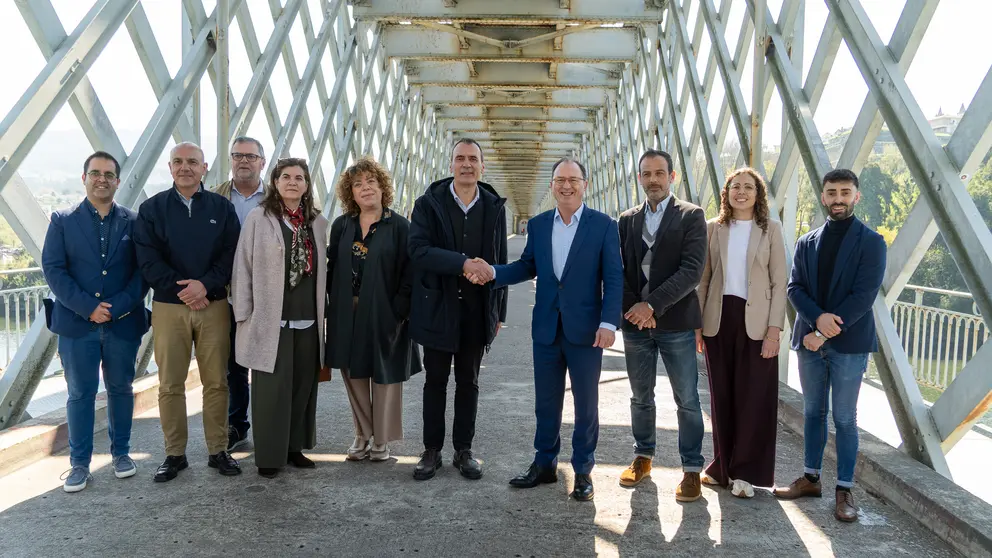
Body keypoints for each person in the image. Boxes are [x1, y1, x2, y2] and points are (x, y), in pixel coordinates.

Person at [478, 157, 622, 502]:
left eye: (573, 179)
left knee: (586, 404)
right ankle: (544, 464)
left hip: (587, 331)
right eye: (560, 180)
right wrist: (494, 272)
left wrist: (608, 322)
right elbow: (527, 266)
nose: (567, 185)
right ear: (552, 186)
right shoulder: (539, 224)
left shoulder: (603, 225)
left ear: (585, 184)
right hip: (546, 327)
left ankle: (583, 470)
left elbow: (614, 277)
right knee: (546, 402)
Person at [773, 168, 886, 523]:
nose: (838, 198)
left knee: (844, 418)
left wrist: (822, 329)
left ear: (856, 196)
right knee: (812, 413)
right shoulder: (807, 241)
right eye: (832, 192)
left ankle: (844, 490)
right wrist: (816, 321)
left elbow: (863, 296)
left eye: (845, 192)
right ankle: (810, 479)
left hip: (848, 344)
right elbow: (794, 288)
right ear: (823, 197)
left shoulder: (872, 242)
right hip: (810, 341)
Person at [134, 141, 242, 482]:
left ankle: (218, 450)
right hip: (169, 307)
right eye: (178, 162)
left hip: (213, 305)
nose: (185, 167)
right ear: (169, 168)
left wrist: (204, 286)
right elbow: (148, 260)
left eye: (192, 162)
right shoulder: (151, 209)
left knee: (216, 381)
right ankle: (174, 454)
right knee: (170, 384)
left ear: (204, 168)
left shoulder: (222, 208)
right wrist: (186, 290)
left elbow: (230, 254)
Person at [41, 151, 150, 492]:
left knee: (120, 389)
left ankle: (121, 454)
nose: (102, 179)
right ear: (84, 177)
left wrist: (114, 307)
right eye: (95, 173)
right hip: (77, 324)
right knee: (80, 394)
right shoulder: (62, 220)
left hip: (122, 323)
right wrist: (88, 307)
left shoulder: (134, 222)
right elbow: (54, 270)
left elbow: (141, 274)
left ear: (117, 181)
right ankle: (79, 465)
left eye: (109, 174)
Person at [408, 138, 508, 481]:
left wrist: (500, 313)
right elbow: (418, 251)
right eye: (460, 158)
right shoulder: (428, 204)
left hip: (478, 311)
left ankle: (463, 450)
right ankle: (431, 451)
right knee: (435, 381)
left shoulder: (494, 206)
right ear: (451, 164)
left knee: (469, 381)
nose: (467, 164)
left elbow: (500, 262)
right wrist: (463, 263)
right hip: (438, 307)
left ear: (482, 166)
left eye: (473, 159)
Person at [616, 149, 707, 502]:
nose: (652, 179)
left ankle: (691, 469)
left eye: (659, 173)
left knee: (686, 399)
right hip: (635, 325)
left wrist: (651, 305)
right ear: (639, 178)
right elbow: (618, 269)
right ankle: (643, 456)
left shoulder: (691, 215)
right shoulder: (626, 219)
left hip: (677, 324)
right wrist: (635, 310)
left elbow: (692, 271)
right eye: (646, 173)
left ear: (672, 177)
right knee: (640, 397)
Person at [231, 157, 327, 478]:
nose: (292, 182)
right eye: (286, 176)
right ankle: (270, 456)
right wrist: (243, 315)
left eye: (299, 177)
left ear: (307, 185)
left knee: (302, 388)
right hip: (271, 322)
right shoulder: (260, 218)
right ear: (275, 181)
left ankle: (294, 448)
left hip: (308, 321)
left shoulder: (316, 222)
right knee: (270, 393)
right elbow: (242, 267)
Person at [695, 167, 788, 498]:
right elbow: (704, 279)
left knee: (753, 398)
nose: (742, 192)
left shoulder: (770, 230)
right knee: (722, 397)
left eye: (749, 187)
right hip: (719, 321)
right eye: (736, 187)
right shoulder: (713, 229)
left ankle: (747, 473)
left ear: (758, 194)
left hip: (758, 324)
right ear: (726, 193)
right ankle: (721, 468)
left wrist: (774, 331)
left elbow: (780, 284)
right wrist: (697, 326)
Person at [325, 156, 420, 462]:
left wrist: (399, 311)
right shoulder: (342, 225)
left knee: (384, 375)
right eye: (357, 184)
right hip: (346, 312)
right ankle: (362, 433)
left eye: (371, 182)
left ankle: (382, 438)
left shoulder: (399, 226)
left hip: (385, 311)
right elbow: (331, 266)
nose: (365, 188)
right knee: (353, 374)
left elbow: (411, 272)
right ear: (349, 193)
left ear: (382, 188)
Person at [212, 136, 266, 452]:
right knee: (233, 366)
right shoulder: (214, 197)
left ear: (262, 161)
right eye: (237, 155)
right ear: (231, 160)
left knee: (267, 363)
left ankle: (270, 424)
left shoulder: (274, 198)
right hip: (226, 294)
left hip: (265, 295)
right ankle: (237, 426)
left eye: (250, 156)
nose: (243, 161)